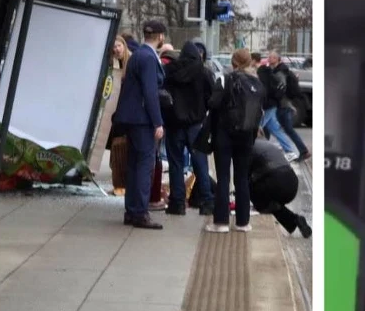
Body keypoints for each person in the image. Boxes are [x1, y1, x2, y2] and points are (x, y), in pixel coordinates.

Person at [113, 20, 166, 230]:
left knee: (134, 165)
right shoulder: (148, 58)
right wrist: (157, 122)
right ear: (161, 37)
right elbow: (150, 92)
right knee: (145, 166)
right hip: (143, 120)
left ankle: (132, 210)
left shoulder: (137, 55)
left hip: (130, 118)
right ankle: (141, 213)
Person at [205, 49, 265, 233]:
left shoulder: (225, 79)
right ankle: (243, 222)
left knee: (223, 177)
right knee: (242, 178)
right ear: (249, 63)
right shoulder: (257, 83)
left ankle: (221, 223)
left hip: (224, 134)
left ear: (233, 63)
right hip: (246, 135)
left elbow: (212, 103)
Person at [163, 41, 215, 216]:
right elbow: (212, 98)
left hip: (174, 124)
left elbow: (163, 95)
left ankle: (177, 203)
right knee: (200, 164)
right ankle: (206, 201)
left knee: (176, 164)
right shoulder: (204, 72)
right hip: (195, 126)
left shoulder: (170, 71)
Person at [250, 138, 311, 238]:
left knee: (253, 192)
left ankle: (270, 228)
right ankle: (295, 220)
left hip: (277, 185)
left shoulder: (248, 148)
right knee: (270, 202)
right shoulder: (267, 145)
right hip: (292, 184)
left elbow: (243, 179)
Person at [252, 52, 297, 161]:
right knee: (275, 129)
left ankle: (251, 151)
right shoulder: (266, 70)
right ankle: (290, 151)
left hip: (267, 105)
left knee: (255, 127)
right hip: (272, 104)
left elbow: (263, 89)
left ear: (253, 60)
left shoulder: (261, 72)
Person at [269, 51, 311, 162]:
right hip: (284, 104)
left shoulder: (280, 72)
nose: (270, 58)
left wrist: (276, 97)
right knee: (279, 128)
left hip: (282, 104)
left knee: (286, 129)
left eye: (272, 57)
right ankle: (294, 150)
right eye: (269, 56)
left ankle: (303, 151)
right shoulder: (278, 70)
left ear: (278, 59)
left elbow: (282, 87)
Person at [107, 36, 131, 197]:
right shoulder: (114, 65)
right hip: (115, 114)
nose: (117, 49)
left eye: (119, 46)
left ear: (124, 45)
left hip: (126, 113)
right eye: (114, 47)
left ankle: (123, 183)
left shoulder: (131, 63)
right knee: (116, 150)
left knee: (123, 149)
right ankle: (119, 183)